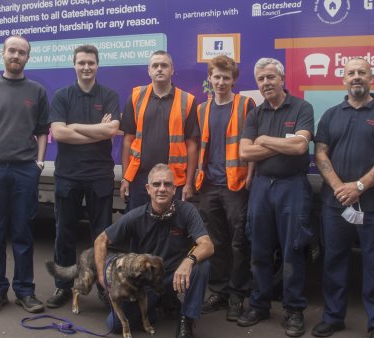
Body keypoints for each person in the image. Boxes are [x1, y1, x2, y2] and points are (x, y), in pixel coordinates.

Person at [312, 58, 374, 338]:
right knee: (333, 262)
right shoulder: (329, 115)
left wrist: (359, 186)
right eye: (350, 73)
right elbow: (321, 154)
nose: (356, 77)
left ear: (372, 78)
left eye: (361, 73)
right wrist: (340, 188)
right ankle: (333, 316)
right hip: (335, 204)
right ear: (343, 80)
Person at [94, 163, 214, 338]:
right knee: (115, 326)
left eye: (167, 184)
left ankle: (186, 321)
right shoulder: (136, 216)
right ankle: (160, 302)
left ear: (174, 189)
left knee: (202, 264)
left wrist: (188, 261)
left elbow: (207, 244)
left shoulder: (187, 211)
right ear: (148, 189)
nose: (162, 189)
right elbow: (101, 240)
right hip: (147, 282)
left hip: (175, 274)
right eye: (156, 184)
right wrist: (102, 279)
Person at [0, 35, 49, 315]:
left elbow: (42, 130)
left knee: (23, 233)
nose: (16, 55)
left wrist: (38, 163)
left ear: (28, 57)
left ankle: (25, 291)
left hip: (24, 170)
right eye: (12, 50)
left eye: (22, 52)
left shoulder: (36, 90)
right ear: (2, 54)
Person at [238, 58, 314, 337]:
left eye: (271, 77)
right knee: (259, 249)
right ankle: (259, 305)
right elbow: (245, 153)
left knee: (293, 249)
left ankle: (294, 310)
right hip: (261, 187)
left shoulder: (302, 108)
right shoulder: (255, 114)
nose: (266, 83)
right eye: (261, 79)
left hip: (292, 187)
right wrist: (281, 142)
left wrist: (264, 141)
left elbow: (300, 146)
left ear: (282, 78)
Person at [46, 45, 120, 308]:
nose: (86, 67)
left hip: (99, 174)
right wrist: (96, 130)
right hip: (68, 175)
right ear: (74, 65)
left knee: (101, 234)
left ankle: (102, 285)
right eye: (81, 63)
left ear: (98, 65)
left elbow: (111, 131)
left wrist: (74, 126)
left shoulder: (109, 95)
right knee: (64, 231)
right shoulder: (62, 96)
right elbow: (59, 133)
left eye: (91, 62)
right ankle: (63, 287)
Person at [195, 55, 255, 321]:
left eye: (226, 78)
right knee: (215, 242)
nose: (220, 82)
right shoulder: (202, 109)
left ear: (234, 80)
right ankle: (219, 291)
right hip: (209, 186)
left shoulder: (245, 104)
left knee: (239, 242)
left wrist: (250, 176)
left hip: (235, 186)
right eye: (216, 77)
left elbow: (251, 145)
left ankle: (237, 295)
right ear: (210, 78)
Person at [120, 50, 199, 211]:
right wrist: (125, 178)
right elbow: (128, 140)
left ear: (172, 69)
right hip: (140, 179)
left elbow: (191, 145)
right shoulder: (136, 97)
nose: (159, 69)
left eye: (164, 65)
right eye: (155, 65)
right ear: (149, 70)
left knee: (171, 230)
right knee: (138, 228)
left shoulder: (188, 101)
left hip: (173, 180)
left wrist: (189, 183)